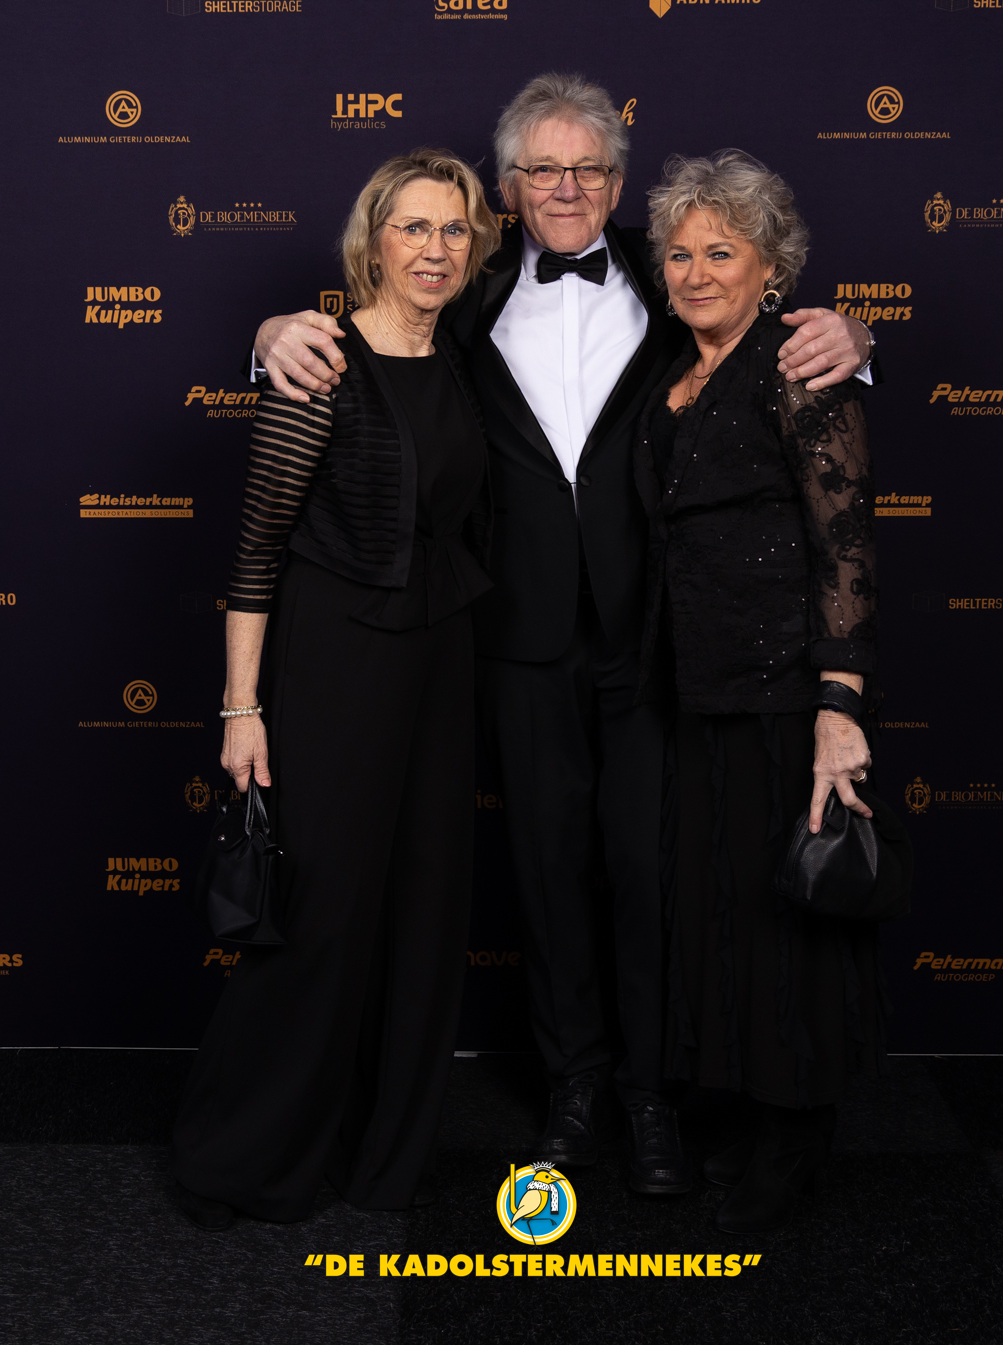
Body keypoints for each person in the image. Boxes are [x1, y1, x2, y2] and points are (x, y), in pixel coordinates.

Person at [252, 74, 873, 1197]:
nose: (567, 189)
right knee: (545, 872)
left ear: (619, 184)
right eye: (543, 169)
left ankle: (650, 1092)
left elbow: (762, 326)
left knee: (647, 872)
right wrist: (269, 337)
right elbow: (371, 335)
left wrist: (856, 335)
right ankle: (574, 1084)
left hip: (658, 637)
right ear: (509, 188)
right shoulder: (466, 282)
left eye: (589, 169)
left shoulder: (667, 267)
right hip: (514, 635)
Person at [170, 150, 501, 1228]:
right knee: (318, 913)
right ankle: (248, 1155)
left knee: (424, 907)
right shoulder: (319, 362)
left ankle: (381, 1153)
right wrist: (241, 709)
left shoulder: (460, 357)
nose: (435, 249)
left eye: (454, 230)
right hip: (333, 664)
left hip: (440, 662)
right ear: (373, 242)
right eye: (413, 228)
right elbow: (256, 550)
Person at [633, 150, 882, 1235]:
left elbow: (846, 542)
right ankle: (741, 1107)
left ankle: (791, 1146)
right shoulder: (668, 369)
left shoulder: (801, 365)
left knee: (790, 923)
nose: (696, 272)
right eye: (680, 253)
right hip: (692, 687)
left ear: (771, 267)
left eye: (721, 253)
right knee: (725, 909)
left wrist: (840, 706)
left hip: (787, 691)